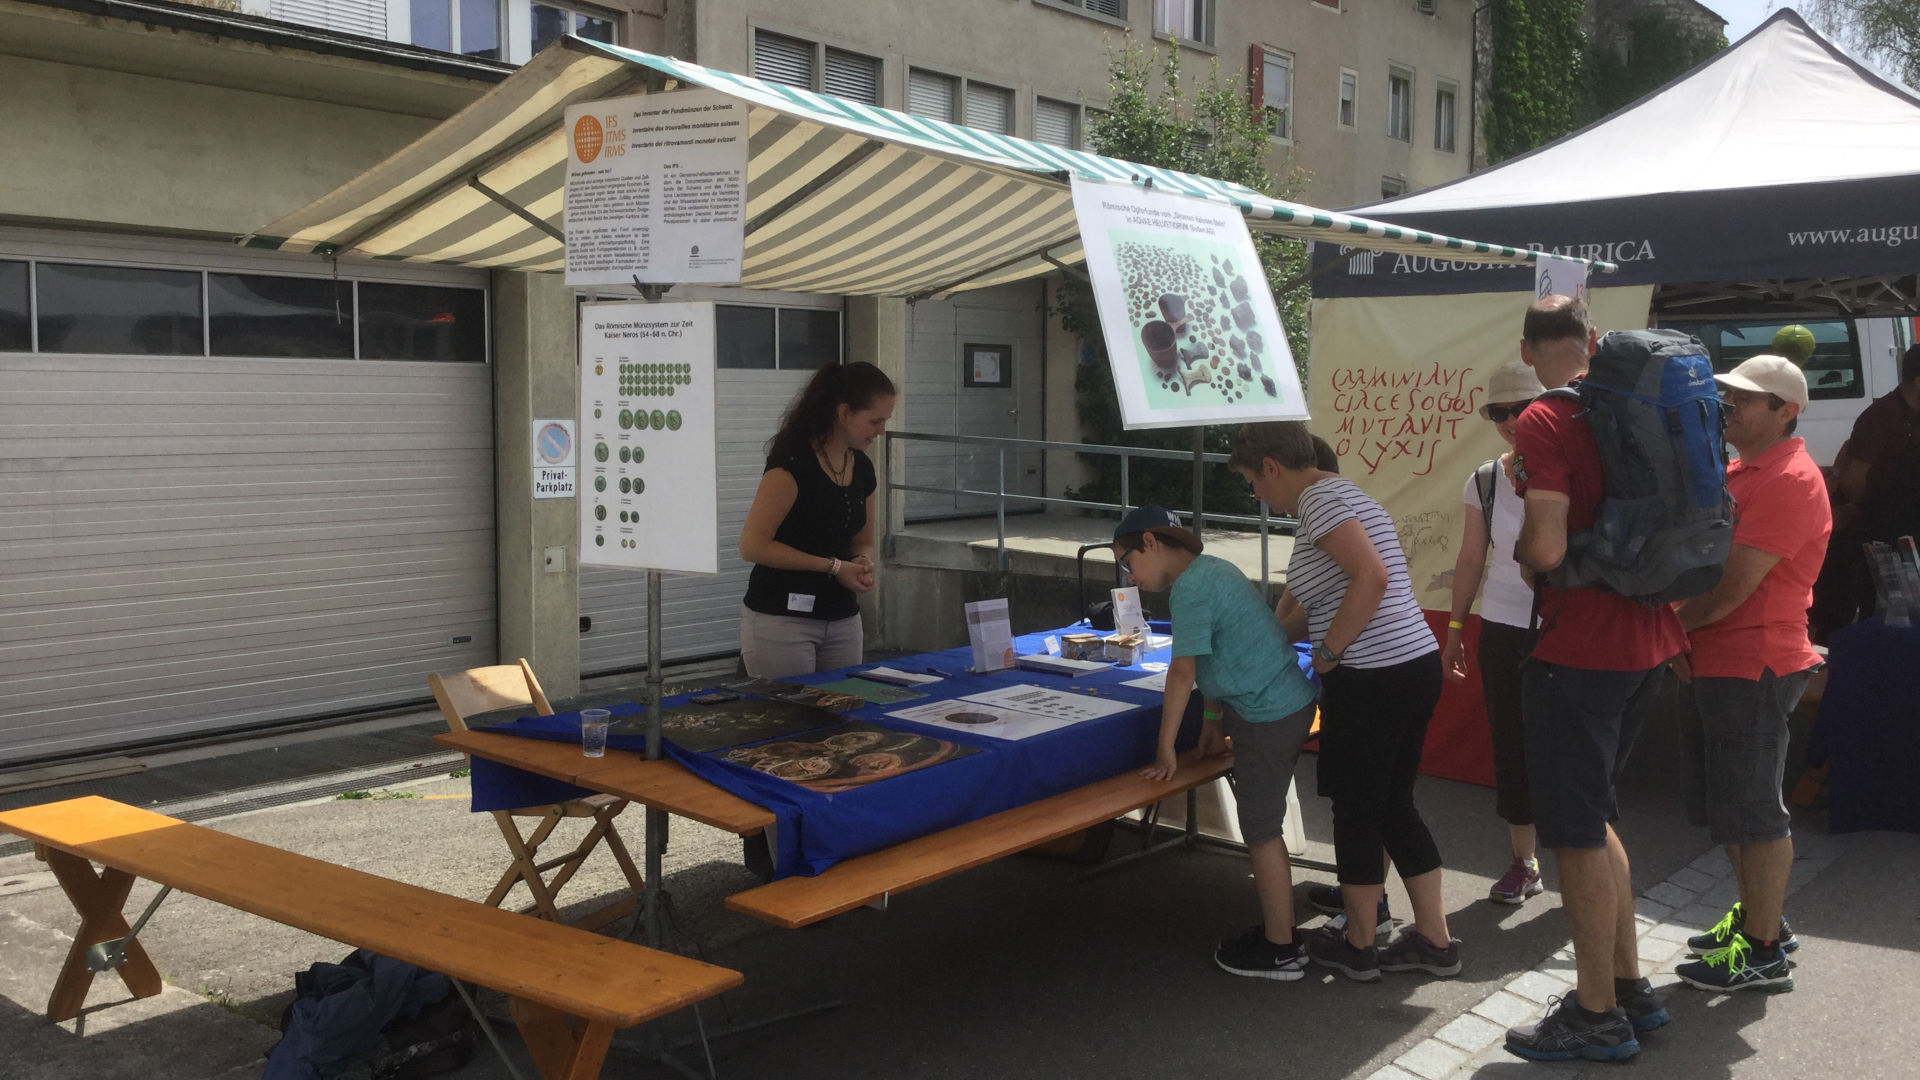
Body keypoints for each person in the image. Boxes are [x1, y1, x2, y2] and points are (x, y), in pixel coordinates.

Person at [1502, 296, 1684, 1063]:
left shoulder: (1546, 420)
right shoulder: (1645, 408)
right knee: (1598, 816)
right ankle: (1630, 989)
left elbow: (1544, 550)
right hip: (1652, 638)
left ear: (1527, 348)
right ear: (1595, 341)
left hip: (1582, 649)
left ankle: (1594, 1013)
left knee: (1573, 835)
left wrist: (1525, 542)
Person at [1228, 421, 1459, 983]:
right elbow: (1312, 596)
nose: (1256, 495)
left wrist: (1330, 650)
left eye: (1252, 482)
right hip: (1408, 666)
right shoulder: (1337, 497)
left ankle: (1358, 945)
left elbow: (1371, 577)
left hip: (1374, 675)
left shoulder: (1320, 500)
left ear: (1272, 467)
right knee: (1392, 806)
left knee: (1359, 810)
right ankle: (1434, 938)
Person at [1670, 356, 1830, 993]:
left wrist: (1671, 632)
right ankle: (1762, 924)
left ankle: (1763, 949)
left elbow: (1734, 587)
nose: (1728, 406)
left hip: (1752, 660)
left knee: (1755, 812)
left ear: (1785, 410)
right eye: (1726, 396)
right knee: (1734, 809)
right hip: (1727, 657)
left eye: (1744, 399)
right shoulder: (1749, 468)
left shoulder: (1789, 477)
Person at [1117, 506, 1320, 980]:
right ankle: (1279, 934)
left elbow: (1183, 672)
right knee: (1261, 823)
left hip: (1268, 714)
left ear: (1150, 543)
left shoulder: (1189, 590)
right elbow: (1219, 657)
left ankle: (1282, 948)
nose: (1130, 576)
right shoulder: (1213, 570)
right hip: (1279, 704)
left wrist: (1165, 748)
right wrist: (1211, 719)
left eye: (1128, 561)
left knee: (1262, 829)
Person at [1440, 358, 1546, 906]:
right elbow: (1470, 559)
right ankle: (1524, 862)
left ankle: (1593, 861)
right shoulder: (1483, 479)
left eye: (1521, 408)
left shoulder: (1572, 469)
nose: (1509, 420)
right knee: (1511, 746)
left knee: (1579, 749)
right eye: (1497, 411)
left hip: (1568, 628)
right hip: (1504, 625)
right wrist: (1456, 628)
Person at [737, 361, 895, 679]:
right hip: (782, 617)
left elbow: (863, 541)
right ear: (844, 413)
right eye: (875, 421)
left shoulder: (862, 467)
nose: (881, 431)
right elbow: (752, 546)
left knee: (843, 718)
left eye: (884, 422)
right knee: (788, 715)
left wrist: (863, 563)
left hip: (842, 619)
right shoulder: (792, 463)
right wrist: (835, 567)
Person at [1812, 343, 1920, 640]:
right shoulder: (1880, 418)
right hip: (1880, 533)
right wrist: (1872, 511)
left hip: (1910, 524)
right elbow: (1853, 479)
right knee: (1881, 613)